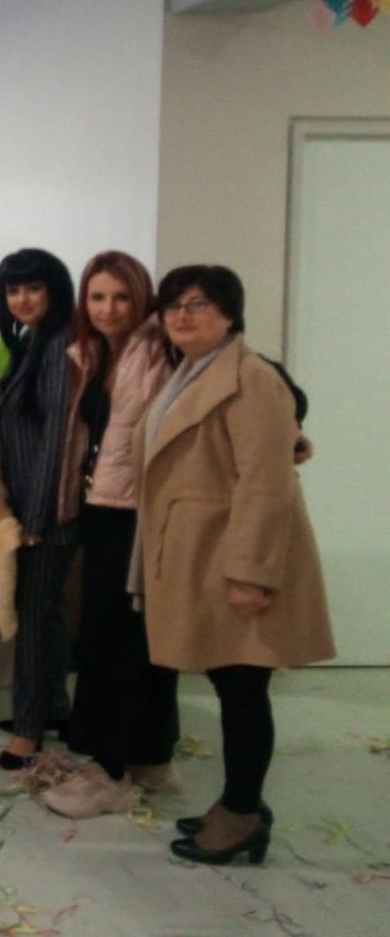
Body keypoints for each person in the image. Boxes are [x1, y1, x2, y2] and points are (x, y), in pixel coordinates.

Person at [137, 266, 333, 865]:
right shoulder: (191, 372)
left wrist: (251, 573)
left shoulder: (252, 379)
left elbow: (265, 485)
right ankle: (236, 804)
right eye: (173, 305)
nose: (182, 315)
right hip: (203, 551)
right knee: (231, 683)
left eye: (198, 304)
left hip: (233, 557)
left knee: (243, 688)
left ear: (229, 313)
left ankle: (243, 813)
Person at [37, 252, 181, 816]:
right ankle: (147, 755)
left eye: (121, 297)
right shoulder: (92, 352)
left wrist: (287, 429)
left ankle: (112, 768)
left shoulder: (163, 348)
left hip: (138, 511)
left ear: (142, 298)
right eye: (97, 297)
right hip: (100, 506)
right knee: (117, 635)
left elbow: (256, 381)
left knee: (122, 640)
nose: (109, 309)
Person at [0, 249, 78, 771]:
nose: (21, 299)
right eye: (12, 290)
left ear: (54, 291)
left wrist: (36, 519)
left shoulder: (59, 344)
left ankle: (27, 730)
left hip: (45, 508)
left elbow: (56, 441)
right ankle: (55, 706)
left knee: (33, 614)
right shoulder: (30, 340)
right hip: (29, 501)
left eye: (33, 288)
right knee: (50, 611)